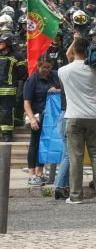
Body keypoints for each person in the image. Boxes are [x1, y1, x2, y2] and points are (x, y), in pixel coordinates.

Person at [58, 37, 96, 204]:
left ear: (74, 50)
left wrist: (73, 42)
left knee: (75, 157)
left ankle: (75, 195)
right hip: (95, 116)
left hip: (73, 116)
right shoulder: (95, 69)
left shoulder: (63, 71)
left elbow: (69, 55)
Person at [22, 56, 59, 185]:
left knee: (45, 145)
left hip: (50, 118)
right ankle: (32, 174)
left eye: (49, 67)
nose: (47, 70)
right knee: (35, 144)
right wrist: (32, 119)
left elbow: (63, 91)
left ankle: (40, 172)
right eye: (44, 67)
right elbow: (26, 103)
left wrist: (57, 90)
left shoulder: (54, 76)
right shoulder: (32, 80)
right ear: (38, 66)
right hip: (36, 117)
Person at [0, 32, 25, 141]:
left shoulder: (17, 56)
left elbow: (22, 73)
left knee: (6, 111)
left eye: (2, 42)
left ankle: (7, 134)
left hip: (8, 89)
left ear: (8, 43)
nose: (0, 44)